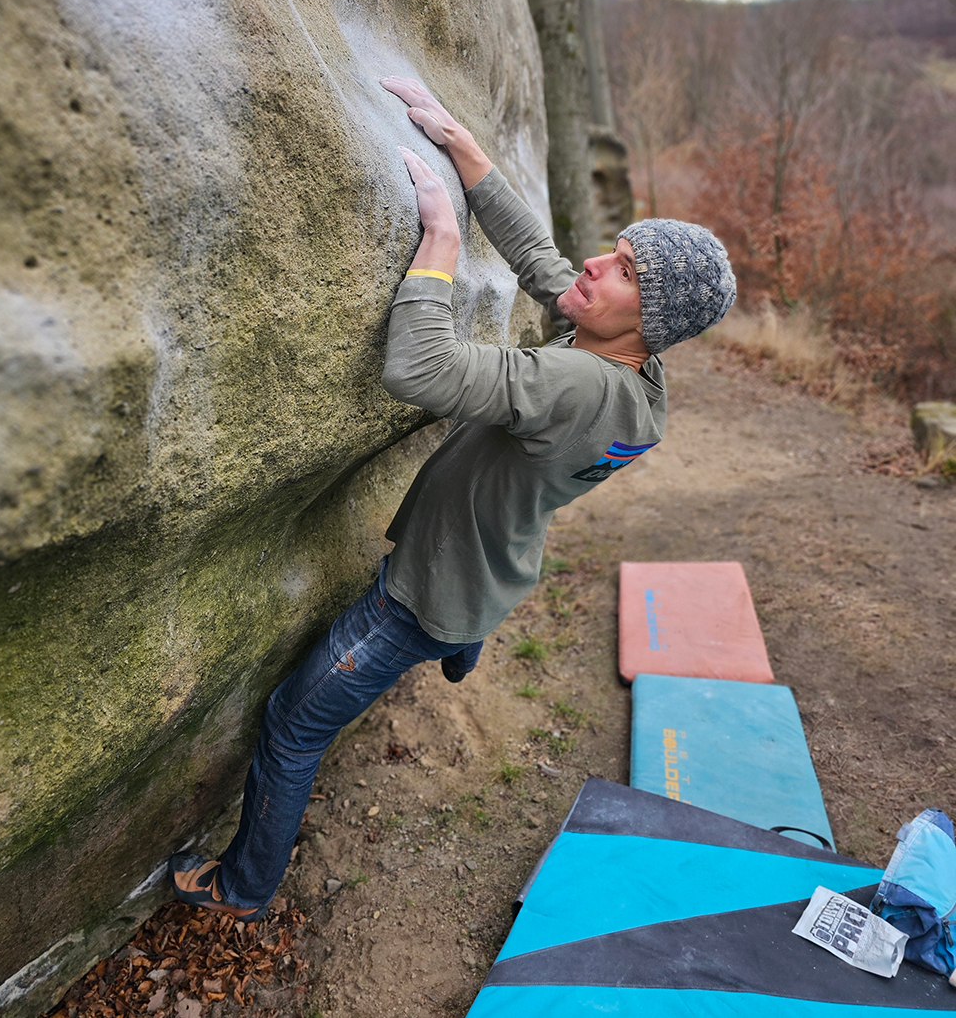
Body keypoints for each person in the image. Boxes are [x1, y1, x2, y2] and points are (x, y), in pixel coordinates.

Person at [169, 77, 736, 919]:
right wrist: (464, 149)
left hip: (423, 594)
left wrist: (439, 237)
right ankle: (464, 644)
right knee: (462, 612)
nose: (594, 264)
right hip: (498, 555)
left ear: (650, 321)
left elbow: (420, 370)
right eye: (614, 249)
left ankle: (244, 886)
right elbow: (549, 271)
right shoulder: (641, 384)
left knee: (294, 725)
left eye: (622, 271)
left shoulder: (576, 383)